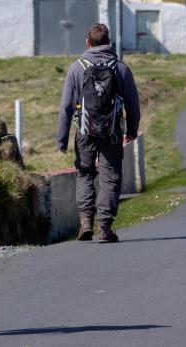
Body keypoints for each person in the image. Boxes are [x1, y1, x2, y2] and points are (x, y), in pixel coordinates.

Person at [56, 23, 141, 243]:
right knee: (110, 177)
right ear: (109, 42)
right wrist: (131, 129)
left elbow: (66, 106)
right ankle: (104, 227)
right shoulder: (120, 68)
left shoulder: (76, 67)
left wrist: (62, 139)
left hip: (84, 130)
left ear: (88, 43)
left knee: (85, 174)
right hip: (111, 132)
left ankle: (85, 222)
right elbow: (132, 103)